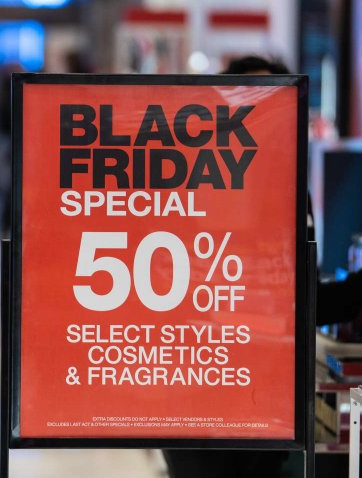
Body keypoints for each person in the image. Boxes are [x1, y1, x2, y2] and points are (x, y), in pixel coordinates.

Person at [163, 54, 292, 478]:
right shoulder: (188, 175)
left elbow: (295, 285)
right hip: (197, 370)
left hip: (267, 375)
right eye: (242, 100)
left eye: (268, 102)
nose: (254, 112)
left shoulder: (290, 182)